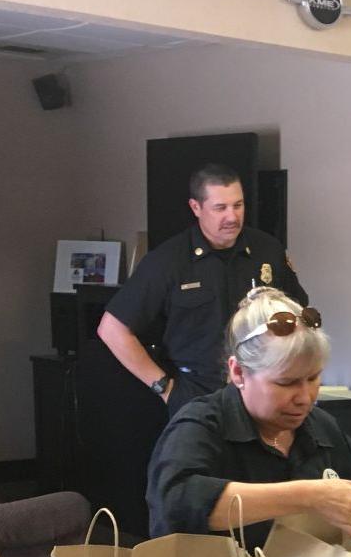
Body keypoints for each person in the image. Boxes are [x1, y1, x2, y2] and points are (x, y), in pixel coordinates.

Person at [146, 288, 351, 549]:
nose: (305, 397)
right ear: (238, 372)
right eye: (286, 383)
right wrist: (310, 496)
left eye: (313, 378)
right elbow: (176, 505)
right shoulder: (200, 426)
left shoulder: (323, 429)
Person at [99, 164, 307, 414]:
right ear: (196, 208)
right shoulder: (168, 261)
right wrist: (164, 387)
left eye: (238, 205)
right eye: (220, 208)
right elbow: (112, 329)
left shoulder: (267, 250)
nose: (232, 217)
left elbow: (298, 313)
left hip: (262, 389)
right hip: (197, 393)